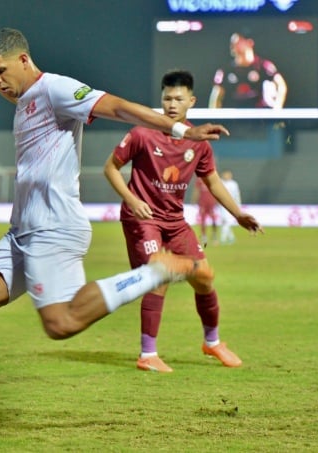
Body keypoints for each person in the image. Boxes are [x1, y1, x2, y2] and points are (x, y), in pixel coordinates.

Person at [0, 28, 229, 430]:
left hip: (54, 229)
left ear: (24, 61)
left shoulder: (58, 89)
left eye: (2, 71)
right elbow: (11, 89)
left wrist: (181, 130)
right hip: (22, 230)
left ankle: (157, 271)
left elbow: (119, 107)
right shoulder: (25, 94)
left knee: (60, 323)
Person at [104, 70, 263, 373]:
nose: (172, 104)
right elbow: (110, 168)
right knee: (159, 276)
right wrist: (132, 199)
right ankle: (147, 354)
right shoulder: (142, 133)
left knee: (204, 278)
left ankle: (213, 342)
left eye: (178, 99)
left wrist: (238, 214)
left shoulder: (199, 142)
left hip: (175, 221)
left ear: (191, 101)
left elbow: (213, 182)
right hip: (143, 218)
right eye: (167, 98)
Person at [209, 31, 287, 109]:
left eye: (238, 41)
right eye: (232, 43)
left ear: (250, 43)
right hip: (234, 117)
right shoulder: (225, 70)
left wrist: (277, 108)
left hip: (260, 116)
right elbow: (216, 95)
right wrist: (214, 118)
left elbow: (281, 86)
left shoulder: (263, 65)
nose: (234, 45)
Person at [191, 177, 218, 246]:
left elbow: (216, 189)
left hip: (211, 202)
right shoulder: (199, 180)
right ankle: (204, 237)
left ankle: (214, 236)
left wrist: (217, 200)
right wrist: (194, 199)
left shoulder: (211, 178)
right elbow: (197, 190)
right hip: (202, 202)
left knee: (214, 220)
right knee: (203, 220)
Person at [219, 170, 242, 245]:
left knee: (227, 221)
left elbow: (237, 194)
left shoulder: (234, 184)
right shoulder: (220, 182)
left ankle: (223, 238)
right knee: (225, 221)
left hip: (232, 204)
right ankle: (231, 238)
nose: (227, 176)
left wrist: (238, 204)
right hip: (222, 205)